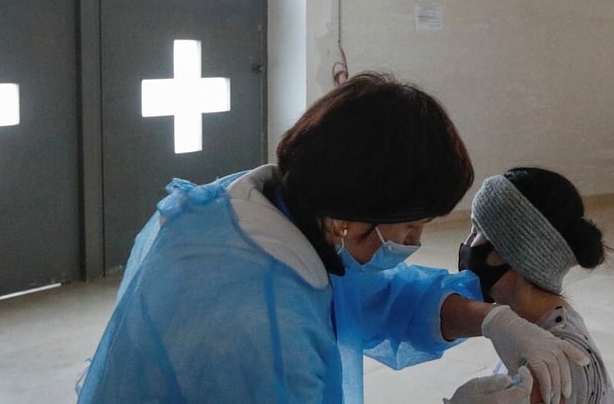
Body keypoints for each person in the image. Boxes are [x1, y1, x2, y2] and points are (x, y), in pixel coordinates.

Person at [76, 73, 586, 403]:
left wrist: (490, 318)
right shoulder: (261, 329)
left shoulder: (267, 209)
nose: (414, 241)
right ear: (352, 213)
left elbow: (374, 295)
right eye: (410, 225)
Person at [459, 168, 614, 404]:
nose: (467, 244)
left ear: (516, 254)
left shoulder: (546, 370)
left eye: (476, 230)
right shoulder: (535, 330)